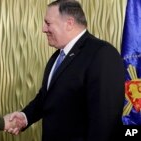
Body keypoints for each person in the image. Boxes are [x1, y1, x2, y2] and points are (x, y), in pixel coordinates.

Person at [8, 0, 125, 141]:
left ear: (69, 23)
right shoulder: (57, 56)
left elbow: (106, 120)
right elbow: (48, 97)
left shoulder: (102, 54)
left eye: (48, 23)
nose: (43, 29)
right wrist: (25, 117)